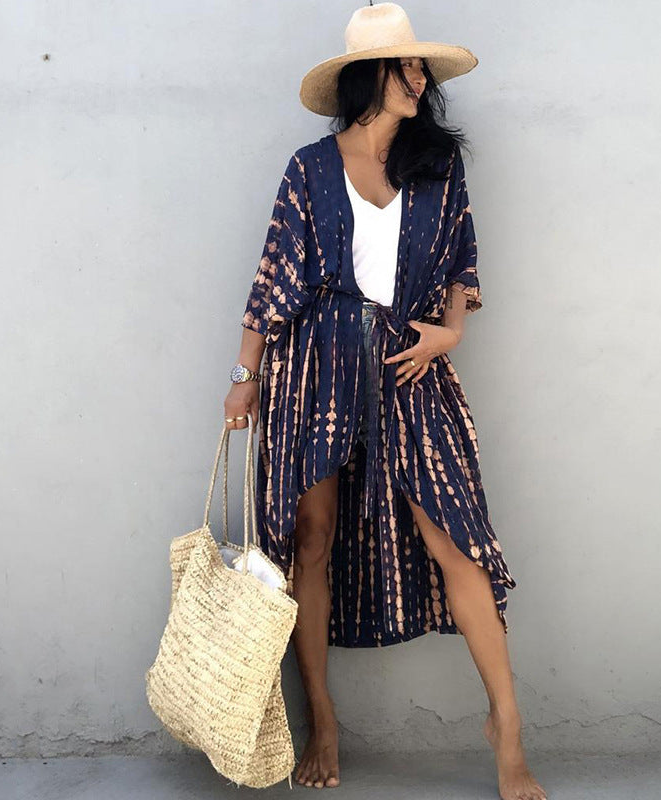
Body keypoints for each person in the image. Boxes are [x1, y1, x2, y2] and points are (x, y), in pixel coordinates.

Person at [224, 4, 547, 799]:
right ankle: (324, 720)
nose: (420, 79)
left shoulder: (438, 165)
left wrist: (451, 332)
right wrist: (245, 373)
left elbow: (463, 259)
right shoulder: (310, 167)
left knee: (456, 538)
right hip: (316, 363)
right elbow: (274, 273)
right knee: (311, 537)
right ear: (368, 77)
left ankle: (507, 725)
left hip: (409, 365)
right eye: (406, 66)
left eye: (422, 67)